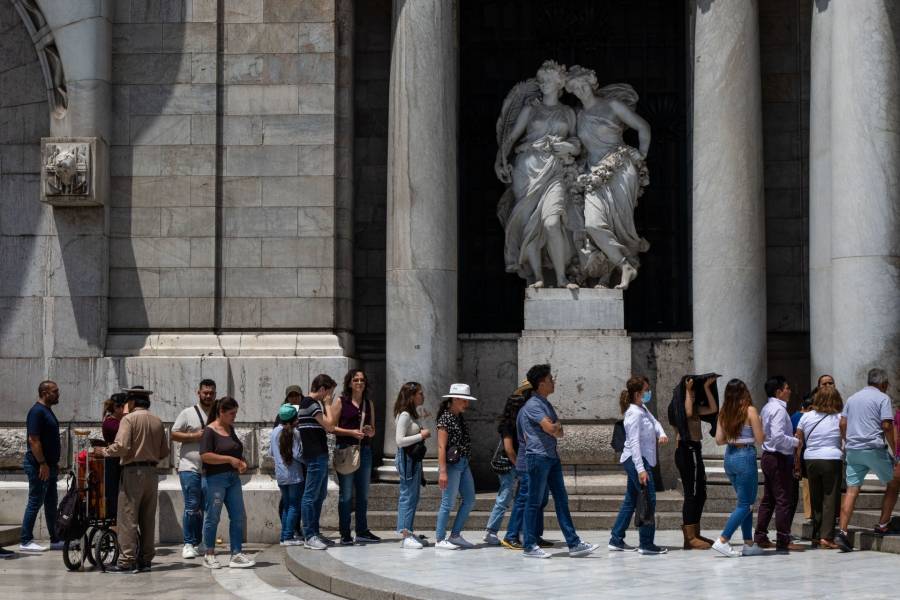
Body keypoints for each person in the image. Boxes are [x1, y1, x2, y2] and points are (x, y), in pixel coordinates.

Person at [495, 60, 581, 289]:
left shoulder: (567, 112)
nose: (542, 84)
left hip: (555, 170)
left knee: (552, 222)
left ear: (559, 83)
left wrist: (569, 147)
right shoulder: (531, 109)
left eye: (547, 81)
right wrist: (500, 161)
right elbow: (511, 138)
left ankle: (562, 278)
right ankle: (537, 276)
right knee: (529, 226)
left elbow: (576, 142)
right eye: (540, 80)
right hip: (527, 169)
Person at [565, 65, 652, 289]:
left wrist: (641, 155)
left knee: (617, 226)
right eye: (575, 88)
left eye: (584, 84)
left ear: (592, 83)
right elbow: (575, 144)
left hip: (620, 169)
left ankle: (606, 278)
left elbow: (643, 127)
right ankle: (625, 264)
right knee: (594, 225)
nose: (581, 90)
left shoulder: (612, 105)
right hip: (593, 173)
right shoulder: (578, 115)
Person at [519, 364, 598, 558]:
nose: (554, 382)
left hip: (551, 457)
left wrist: (555, 427)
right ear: (541, 383)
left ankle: (573, 543)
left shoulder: (545, 404)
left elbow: (559, 432)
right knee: (534, 502)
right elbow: (552, 429)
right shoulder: (533, 405)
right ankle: (529, 545)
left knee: (561, 500)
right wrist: (555, 426)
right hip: (538, 457)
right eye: (551, 379)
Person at [99, 386, 170, 573]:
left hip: (132, 472)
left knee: (128, 518)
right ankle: (146, 560)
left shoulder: (129, 419)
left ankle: (126, 561)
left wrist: (104, 451)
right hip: (152, 473)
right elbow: (165, 451)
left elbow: (121, 446)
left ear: (131, 402)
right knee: (147, 518)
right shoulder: (157, 420)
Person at [835, 368, 899, 551]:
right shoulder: (882, 398)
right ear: (883, 383)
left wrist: (848, 440)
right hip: (874, 448)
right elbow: (887, 425)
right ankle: (883, 523)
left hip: (854, 450)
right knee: (894, 482)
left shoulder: (852, 398)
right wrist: (896, 451)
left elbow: (842, 423)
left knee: (852, 490)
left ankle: (843, 532)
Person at [609, 376, 669, 555]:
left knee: (631, 500)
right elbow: (634, 443)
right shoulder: (633, 414)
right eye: (646, 390)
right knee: (648, 499)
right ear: (637, 393)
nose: (649, 393)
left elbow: (655, 422)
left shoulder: (642, 408)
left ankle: (616, 538)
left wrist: (662, 433)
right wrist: (641, 470)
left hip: (640, 460)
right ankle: (646, 543)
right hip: (637, 460)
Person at [711, 379, 765, 557]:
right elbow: (760, 438)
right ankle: (723, 540)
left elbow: (719, 440)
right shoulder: (750, 410)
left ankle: (748, 544)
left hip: (730, 457)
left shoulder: (724, 412)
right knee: (745, 503)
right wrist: (760, 423)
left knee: (746, 502)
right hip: (745, 457)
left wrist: (734, 439)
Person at [199, 397, 254, 569]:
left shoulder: (230, 429)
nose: (234, 416)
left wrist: (241, 461)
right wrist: (229, 459)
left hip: (233, 479)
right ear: (221, 412)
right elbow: (205, 455)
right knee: (213, 517)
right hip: (215, 479)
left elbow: (235, 449)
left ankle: (236, 553)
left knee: (238, 516)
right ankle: (209, 553)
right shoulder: (209, 431)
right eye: (231, 413)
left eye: (235, 413)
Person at [754, 375, 804, 552]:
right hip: (778, 457)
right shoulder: (779, 410)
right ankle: (783, 540)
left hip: (769, 456)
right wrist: (796, 442)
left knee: (769, 499)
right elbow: (777, 437)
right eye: (787, 388)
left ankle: (760, 536)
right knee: (784, 499)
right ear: (779, 391)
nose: (789, 391)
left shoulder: (767, 408)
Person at [332, 369, 379, 545]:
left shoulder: (369, 404)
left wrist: (370, 431)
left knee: (363, 494)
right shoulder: (341, 402)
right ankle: (345, 533)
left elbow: (373, 429)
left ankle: (362, 530)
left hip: (364, 450)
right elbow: (332, 427)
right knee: (346, 495)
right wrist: (351, 432)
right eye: (356, 380)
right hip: (345, 450)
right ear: (350, 383)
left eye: (362, 380)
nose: (359, 383)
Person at [501, 383, 551, 550]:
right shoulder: (527, 411)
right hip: (528, 461)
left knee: (539, 499)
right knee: (524, 499)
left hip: (536, 460)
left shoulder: (537, 408)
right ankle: (512, 535)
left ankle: (534, 534)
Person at [170, 378, 216, 559]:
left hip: (210, 469)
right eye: (205, 392)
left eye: (211, 393)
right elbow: (173, 433)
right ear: (198, 393)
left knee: (205, 507)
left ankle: (200, 541)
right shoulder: (187, 413)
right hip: (189, 467)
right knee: (191, 506)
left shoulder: (218, 413)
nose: (208, 395)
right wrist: (195, 435)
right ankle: (188, 543)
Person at [794, 385, 843, 549]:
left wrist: (797, 463)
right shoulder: (839, 417)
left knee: (816, 497)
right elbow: (845, 438)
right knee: (830, 498)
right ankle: (826, 537)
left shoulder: (806, 417)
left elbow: (798, 442)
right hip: (832, 458)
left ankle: (816, 534)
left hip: (811, 459)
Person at [20, 380, 63, 553]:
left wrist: (53, 464)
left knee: (51, 503)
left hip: (49, 466)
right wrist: (43, 463)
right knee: (35, 501)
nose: (58, 394)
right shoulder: (37, 412)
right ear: (45, 393)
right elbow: (34, 440)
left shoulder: (47, 411)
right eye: (55, 391)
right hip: (39, 466)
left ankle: (55, 539)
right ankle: (25, 539)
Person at [676, 376, 718, 549]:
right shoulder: (677, 408)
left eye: (694, 395)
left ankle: (696, 532)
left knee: (701, 493)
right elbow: (686, 412)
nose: (693, 398)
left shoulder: (695, 408)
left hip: (696, 450)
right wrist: (687, 391)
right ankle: (689, 538)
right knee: (691, 494)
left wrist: (707, 387)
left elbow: (713, 408)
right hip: (686, 450)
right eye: (690, 395)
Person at [435, 383, 478, 550]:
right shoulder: (445, 418)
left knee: (469, 499)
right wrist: (443, 471)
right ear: (454, 399)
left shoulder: (459, 417)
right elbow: (441, 447)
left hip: (463, 462)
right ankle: (439, 539)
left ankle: (455, 535)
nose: (466, 404)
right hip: (452, 465)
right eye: (464, 400)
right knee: (448, 503)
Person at [298, 374, 338, 550]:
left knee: (319, 495)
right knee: (310, 496)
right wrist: (328, 404)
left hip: (319, 455)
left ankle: (315, 532)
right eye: (329, 392)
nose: (330, 396)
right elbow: (330, 425)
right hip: (314, 456)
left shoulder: (311, 404)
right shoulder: (311, 403)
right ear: (322, 389)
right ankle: (309, 535)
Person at [483, 392, 528, 545]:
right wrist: (519, 465)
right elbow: (509, 449)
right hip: (510, 465)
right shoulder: (507, 425)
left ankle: (517, 531)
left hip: (516, 464)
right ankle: (491, 531)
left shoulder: (518, 423)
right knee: (504, 499)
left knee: (517, 499)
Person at [394, 382, 431, 549]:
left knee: (413, 497)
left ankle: (408, 531)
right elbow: (400, 441)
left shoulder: (412, 415)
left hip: (413, 460)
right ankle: (405, 534)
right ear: (411, 396)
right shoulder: (404, 415)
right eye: (420, 393)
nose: (423, 396)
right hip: (406, 459)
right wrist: (421, 435)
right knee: (407, 496)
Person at [271, 404, 304, 546]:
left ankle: (285, 536)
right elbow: (298, 454)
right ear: (294, 418)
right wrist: (308, 461)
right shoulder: (295, 432)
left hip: (280, 474)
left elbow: (271, 453)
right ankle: (288, 536)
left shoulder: (274, 432)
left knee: (286, 505)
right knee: (294, 506)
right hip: (294, 474)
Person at [101, 392, 128, 526]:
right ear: (118, 407)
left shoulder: (119, 421)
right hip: (113, 461)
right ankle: (114, 523)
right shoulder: (111, 423)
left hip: (119, 461)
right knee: (114, 494)